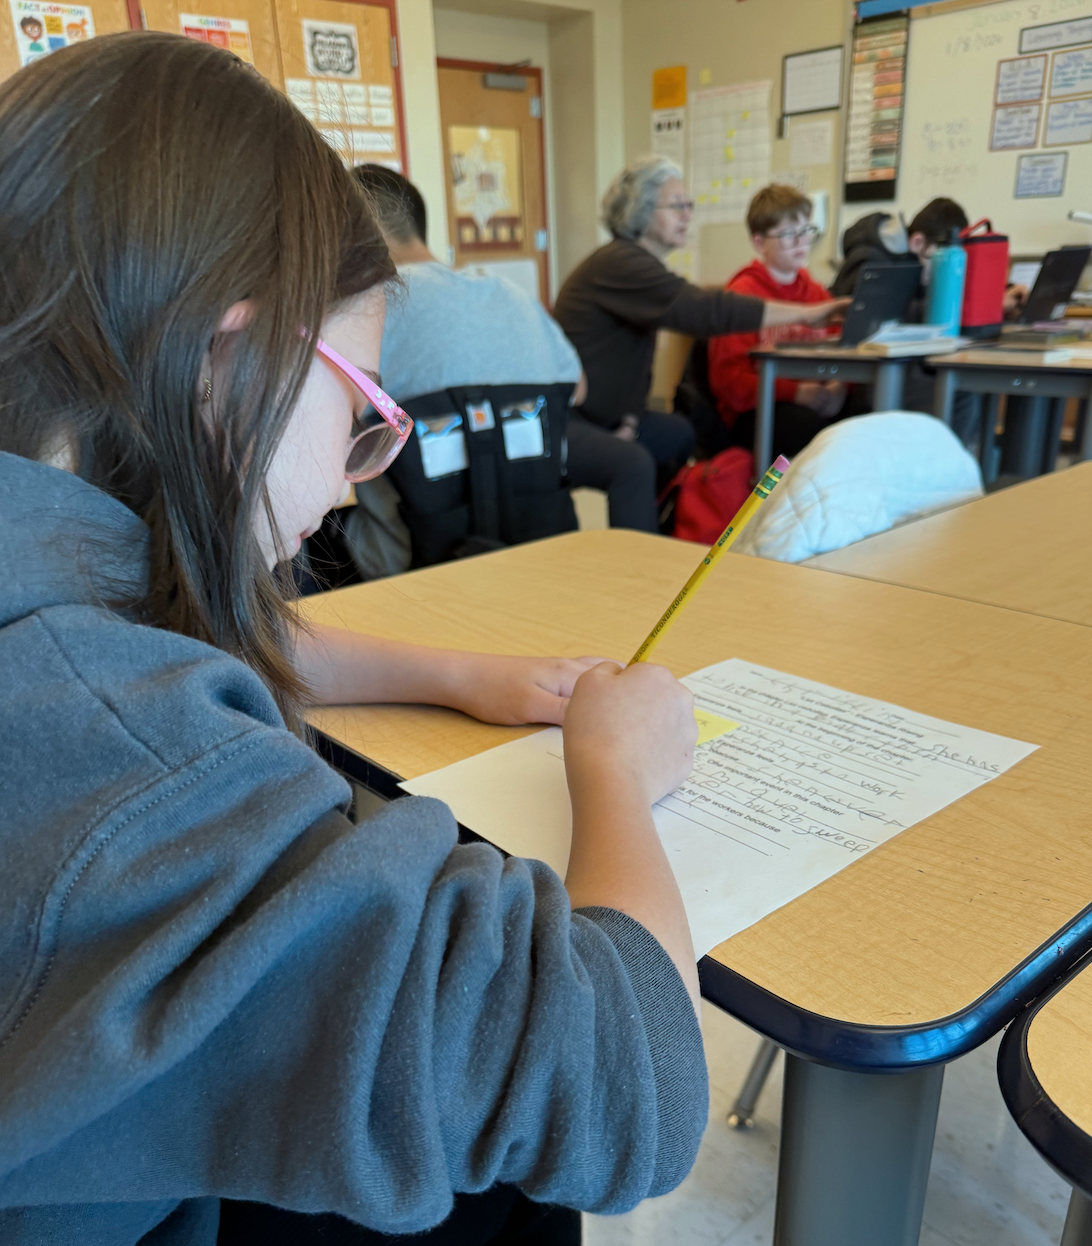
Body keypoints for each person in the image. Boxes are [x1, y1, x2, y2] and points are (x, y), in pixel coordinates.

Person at [0, 33, 708, 1246]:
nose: (345, 481)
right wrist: (616, 772)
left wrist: (456, 671)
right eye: (365, 412)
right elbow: (633, 1085)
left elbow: (155, 631)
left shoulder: (48, 569)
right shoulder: (123, 754)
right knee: (511, 1180)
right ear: (233, 357)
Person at [553, 155, 844, 522]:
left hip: (601, 414)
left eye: (689, 205)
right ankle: (637, 571)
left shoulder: (637, 266)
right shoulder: (619, 263)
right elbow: (704, 310)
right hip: (562, 419)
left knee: (677, 435)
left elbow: (630, 366)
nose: (687, 214)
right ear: (639, 212)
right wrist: (806, 313)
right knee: (632, 465)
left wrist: (628, 419)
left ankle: (665, 526)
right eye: (677, 205)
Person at [343, 164, 583, 575]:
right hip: (540, 550)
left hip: (412, 566)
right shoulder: (512, 296)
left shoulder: (366, 311)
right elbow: (576, 390)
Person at [707, 184, 854, 463]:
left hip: (814, 398)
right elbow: (730, 383)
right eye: (788, 234)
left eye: (806, 231)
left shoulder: (817, 293)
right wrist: (797, 393)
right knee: (815, 434)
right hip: (756, 409)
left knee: (864, 418)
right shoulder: (743, 295)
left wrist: (839, 386)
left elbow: (844, 351)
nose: (801, 242)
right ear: (759, 242)